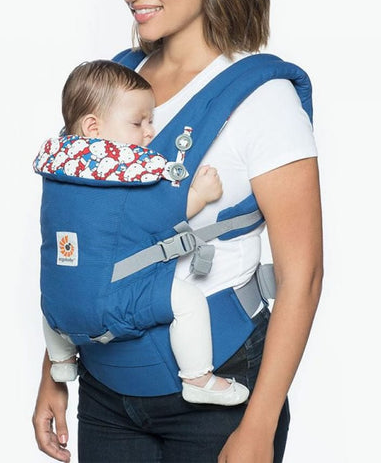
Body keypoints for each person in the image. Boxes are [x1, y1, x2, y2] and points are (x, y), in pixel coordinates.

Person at [33, 0, 323, 462]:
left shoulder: (263, 99)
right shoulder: (115, 81)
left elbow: (304, 276)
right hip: (105, 387)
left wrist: (260, 424)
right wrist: (53, 373)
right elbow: (86, 239)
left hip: (220, 382)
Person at [43, 59, 250, 406]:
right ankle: (198, 378)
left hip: (59, 307)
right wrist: (200, 195)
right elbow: (157, 215)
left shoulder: (56, 167)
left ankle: (62, 361)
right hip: (113, 300)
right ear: (93, 127)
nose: (150, 132)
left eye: (151, 120)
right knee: (188, 302)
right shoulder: (119, 172)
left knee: (55, 287)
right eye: (138, 122)